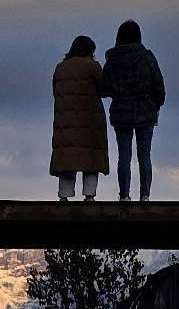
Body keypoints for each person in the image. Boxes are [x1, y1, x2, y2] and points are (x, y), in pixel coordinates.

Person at [100, 19, 165, 202]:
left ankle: (124, 195)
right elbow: (158, 85)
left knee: (124, 156)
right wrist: (156, 104)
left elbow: (103, 89)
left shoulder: (112, 61)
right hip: (145, 111)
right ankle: (144, 195)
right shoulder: (147, 57)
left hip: (121, 112)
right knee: (144, 155)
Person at [50, 34, 110, 201]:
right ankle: (89, 196)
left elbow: (56, 92)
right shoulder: (93, 67)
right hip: (90, 121)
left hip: (65, 121)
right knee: (91, 158)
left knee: (67, 159)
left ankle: (64, 195)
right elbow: (104, 89)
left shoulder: (60, 68)